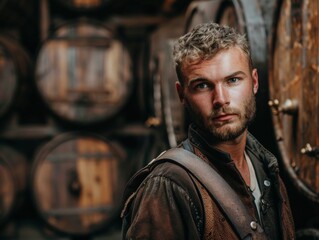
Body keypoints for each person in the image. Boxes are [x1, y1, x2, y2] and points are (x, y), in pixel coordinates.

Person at [121, 22, 295, 239]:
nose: (220, 99)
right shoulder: (169, 186)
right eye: (202, 85)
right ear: (182, 94)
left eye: (233, 80)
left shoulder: (265, 165)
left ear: (255, 82)